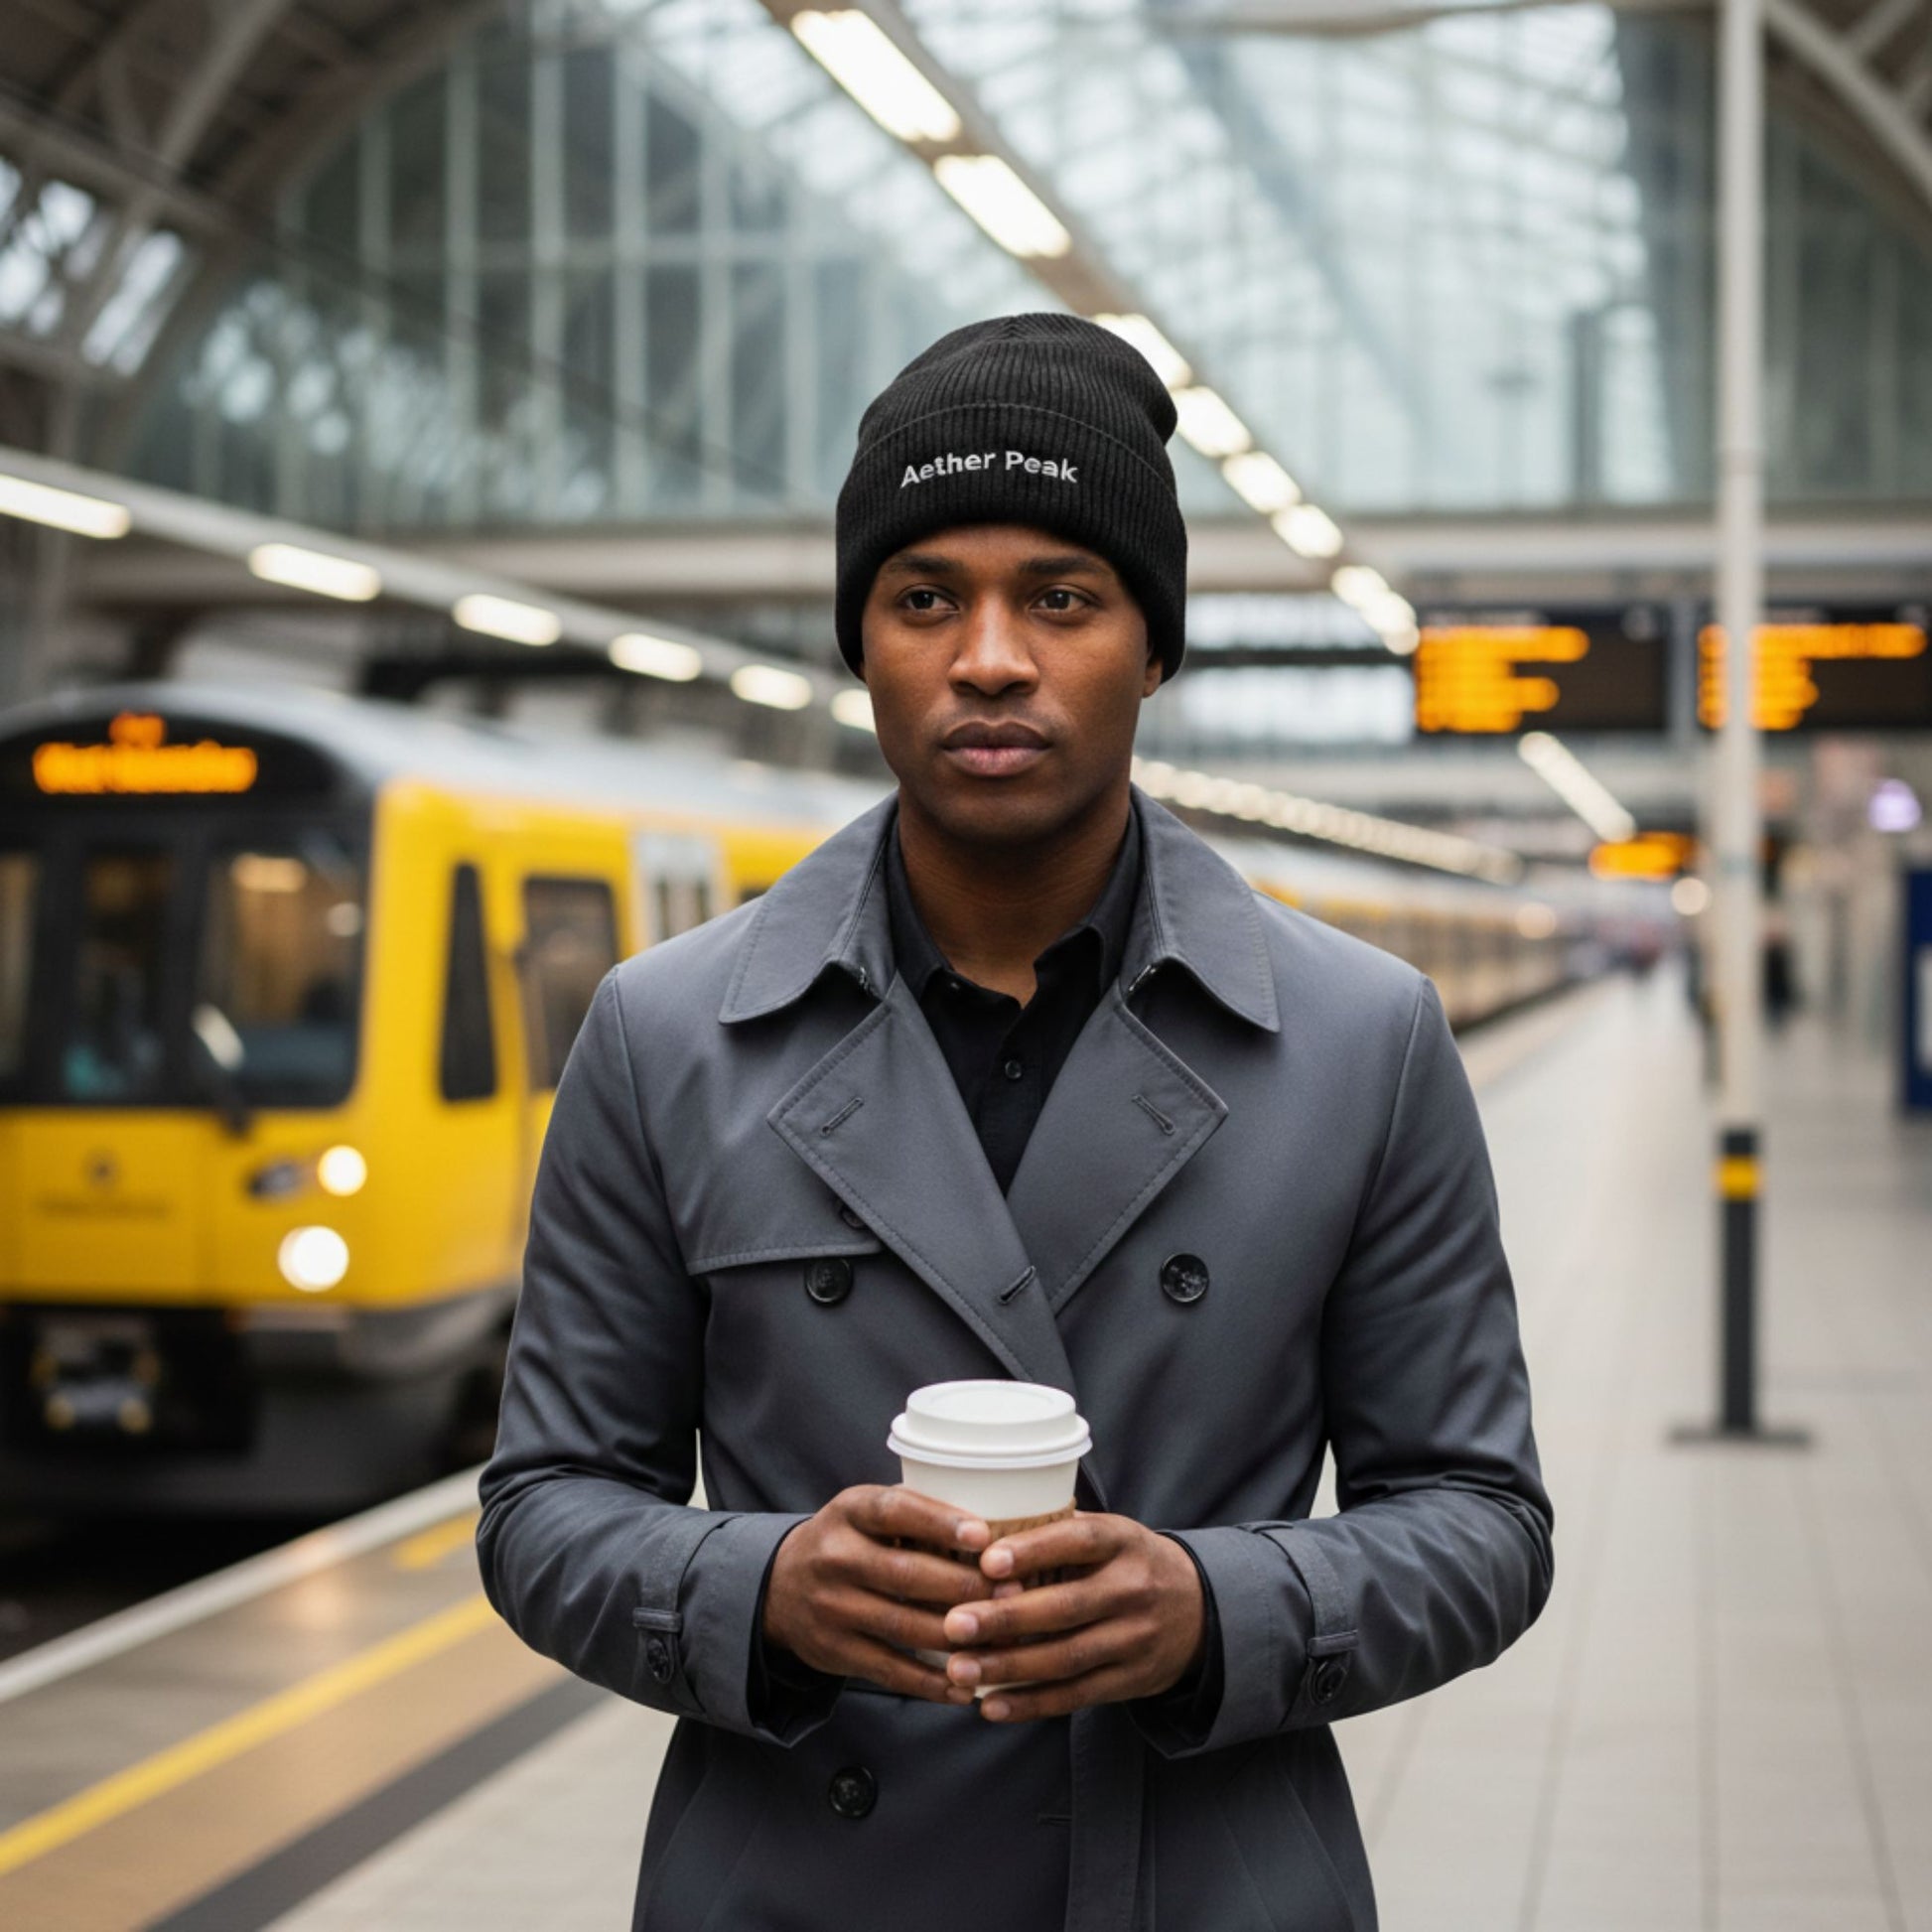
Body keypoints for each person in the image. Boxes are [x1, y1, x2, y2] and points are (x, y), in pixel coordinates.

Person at [478, 314, 1553, 1932]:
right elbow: (545, 1499)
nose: (989, 656)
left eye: (1061, 595)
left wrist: (1214, 1606)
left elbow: (1481, 1521)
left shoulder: (1362, 1040)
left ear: (1151, 642)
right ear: (864, 646)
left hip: (1200, 1888)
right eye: (925, 599)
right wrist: (763, 1586)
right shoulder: (663, 1034)